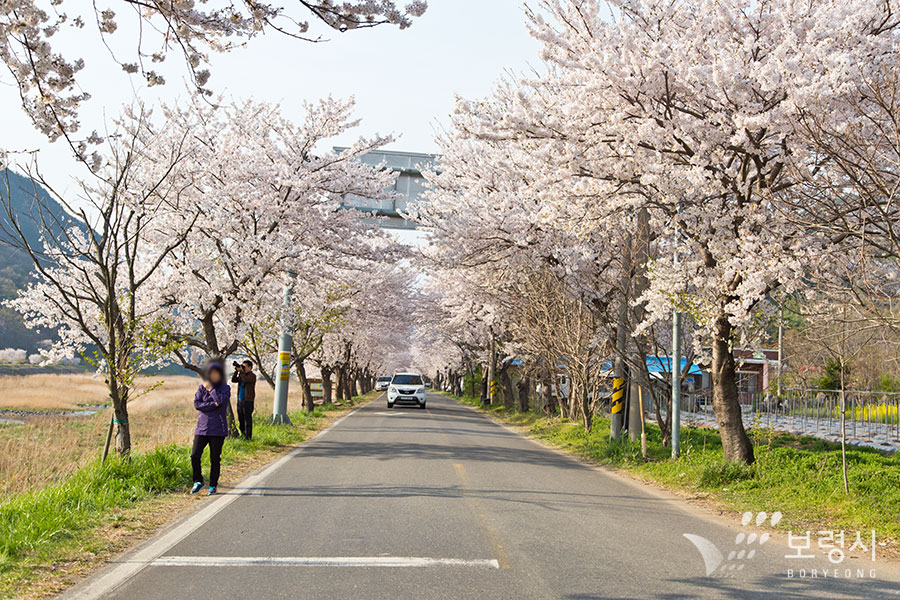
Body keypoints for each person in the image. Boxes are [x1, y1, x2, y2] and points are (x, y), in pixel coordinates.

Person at [190, 361, 230, 496]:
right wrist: (213, 405)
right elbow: (197, 405)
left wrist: (211, 389)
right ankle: (198, 480)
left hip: (218, 428)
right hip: (201, 428)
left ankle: (213, 485)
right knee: (194, 455)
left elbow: (220, 400)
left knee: (214, 458)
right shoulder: (201, 388)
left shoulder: (225, 388)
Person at [232, 360, 257, 440]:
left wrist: (241, 372)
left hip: (248, 401)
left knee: (247, 420)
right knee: (241, 419)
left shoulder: (252, 376)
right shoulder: (242, 376)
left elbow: (246, 380)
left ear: (250, 367)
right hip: (240, 400)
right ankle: (243, 434)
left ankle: (248, 437)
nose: (243, 368)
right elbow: (233, 380)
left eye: (244, 367)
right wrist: (236, 371)